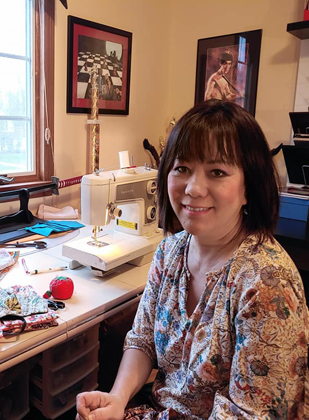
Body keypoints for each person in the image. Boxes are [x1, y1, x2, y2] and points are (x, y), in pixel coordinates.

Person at [76, 100, 308, 419]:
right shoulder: (170, 251)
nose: (194, 188)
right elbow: (142, 340)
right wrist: (116, 400)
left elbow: (250, 414)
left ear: (247, 189)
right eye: (182, 168)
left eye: (217, 172)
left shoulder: (267, 285)